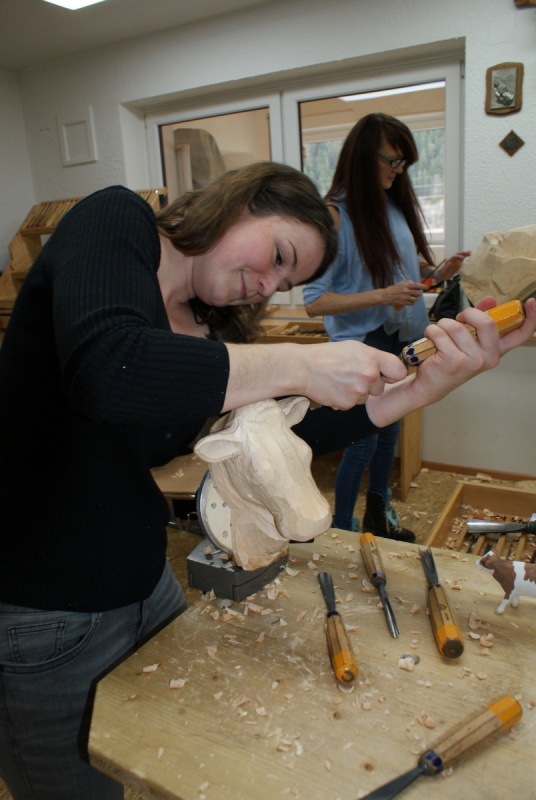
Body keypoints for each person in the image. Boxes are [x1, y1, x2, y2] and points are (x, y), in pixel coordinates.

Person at [0, 161, 534, 800]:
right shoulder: (118, 220)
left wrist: (419, 390)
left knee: (160, 758)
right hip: (43, 608)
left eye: (285, 281)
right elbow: (109, 368)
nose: (267, 286)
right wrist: (299, 365)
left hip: (145, 579)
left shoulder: (205, 325)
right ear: (239, 202)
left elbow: (277, 437)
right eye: (279, 256)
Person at [303, 113, 471, 541]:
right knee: (361, 442)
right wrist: (384, 295)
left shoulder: (391, 206)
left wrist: (437, 272)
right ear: (364, 157)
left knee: (388, 434)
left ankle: (379, 516)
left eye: (404, 163)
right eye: (393, 160)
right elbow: (314, 302)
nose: (399, 171)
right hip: (363, 346)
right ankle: (342, 530)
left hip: (399, 339)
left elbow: (403, 269)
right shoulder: (335, 216)